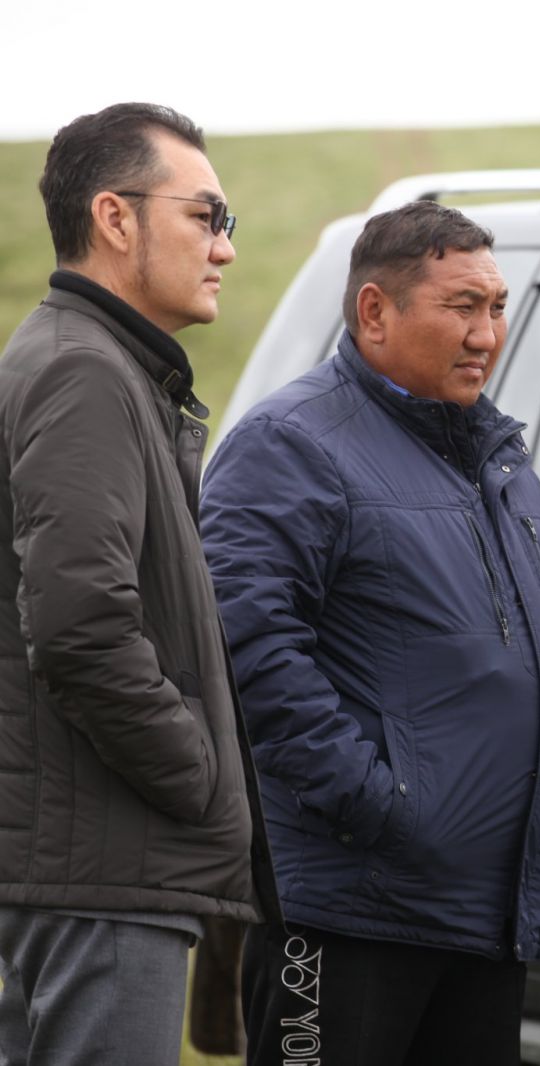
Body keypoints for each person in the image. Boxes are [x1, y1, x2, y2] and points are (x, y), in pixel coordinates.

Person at [199, 200, 540, 1066]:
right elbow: (248, 649)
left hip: (484, 909)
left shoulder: (502, 464)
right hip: (349, 905)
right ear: (375, 311)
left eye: (497, 308)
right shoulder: (289, 444)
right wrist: (378, 805)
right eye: (462, 307)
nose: (487, 334)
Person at [0, 103, 274, 1065]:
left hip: (87, 866)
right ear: (115, 218)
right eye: (206, 217)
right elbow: (81, 626)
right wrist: (197, 774)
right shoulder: (83, 372)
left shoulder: (94, 363)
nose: (225, 248)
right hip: (101, 875)